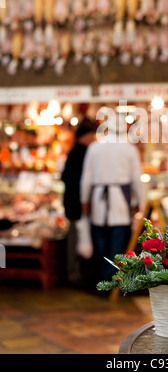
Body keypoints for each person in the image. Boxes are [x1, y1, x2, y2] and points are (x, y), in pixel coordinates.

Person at [80, 118, 145, 282]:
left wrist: (84, 201)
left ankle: (104, 277)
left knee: (100, 239)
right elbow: (137, 179)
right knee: (118, 241)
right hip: (120, 203)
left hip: (98, 200)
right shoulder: (129, 149)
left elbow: (86, 178)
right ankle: (112, 278)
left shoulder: (94, 148)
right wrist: (142, 204)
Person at [61, 118, 97, 285]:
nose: (94, 139)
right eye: (92, 135)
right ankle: (73, 273)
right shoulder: (80, 153)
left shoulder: (76, 152)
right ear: (85, 136)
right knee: (75, 238)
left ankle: (75, 271)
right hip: (76, 203)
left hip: (73, 202)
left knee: (77, 237)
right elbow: (75, 180)